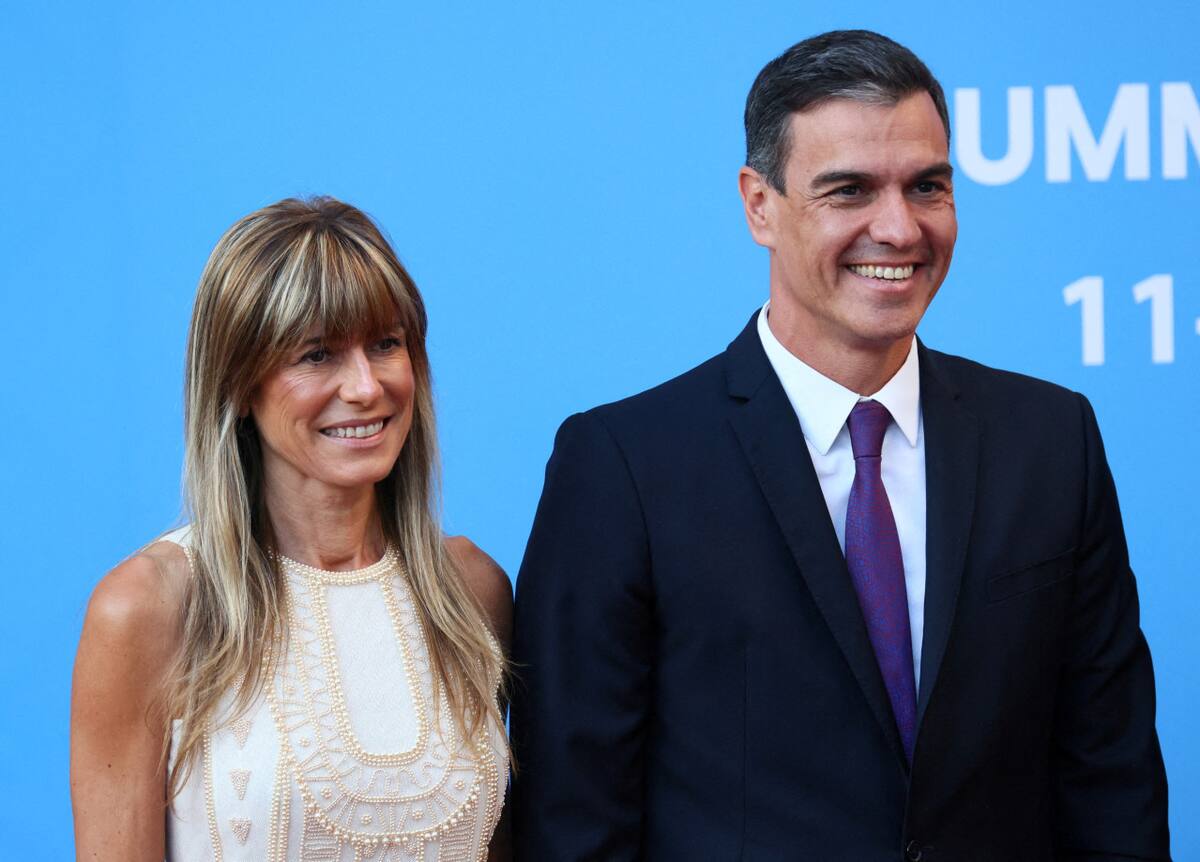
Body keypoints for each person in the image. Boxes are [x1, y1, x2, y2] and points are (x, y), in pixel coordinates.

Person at [510, 30, 1170, 861]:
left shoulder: (1049, 440)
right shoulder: (624, 466)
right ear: (760, 205)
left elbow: (1111, 780)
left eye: (927, 186)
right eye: (849, 190)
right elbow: (575, 818)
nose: (898, 228)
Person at [71, 197, 512, 861]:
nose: (366, 387)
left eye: (386, 344)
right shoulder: (149, 608)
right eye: (317, 355)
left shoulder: (471, 593)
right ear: (239, 384)